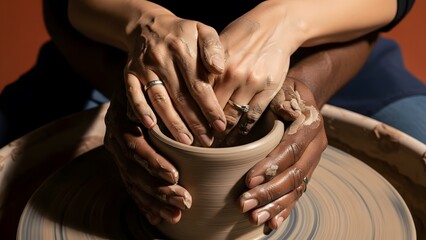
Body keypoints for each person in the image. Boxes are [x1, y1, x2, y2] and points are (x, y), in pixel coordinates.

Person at [0, 0, 423, 233]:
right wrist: (135, 48)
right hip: (117, 54)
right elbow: (61, 6)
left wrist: (286, 26)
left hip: (326, 53)